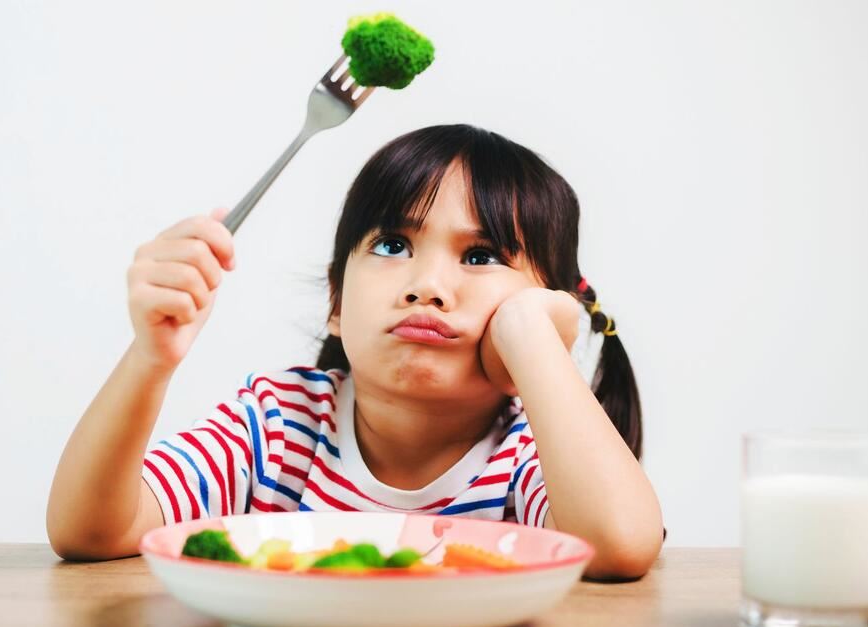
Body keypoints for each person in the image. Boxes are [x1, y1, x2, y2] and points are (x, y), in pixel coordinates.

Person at [47, 124, 664, 579]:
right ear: (337, 301)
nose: (427, 285)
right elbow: (91, 531)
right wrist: (150, 359)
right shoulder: (276, 425)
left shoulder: (531, 453)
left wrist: (534, 340)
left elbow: (619, 546)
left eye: (481, 257)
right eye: (394, 245)